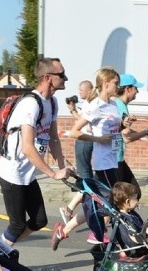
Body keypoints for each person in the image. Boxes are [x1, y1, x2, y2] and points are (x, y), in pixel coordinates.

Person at [0, 57, 71, 245]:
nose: (66, 78)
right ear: (47, 77)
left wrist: (63, 166)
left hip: (27, 174)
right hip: (12, 173)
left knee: (39, 220)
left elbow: (53, 138)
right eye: (61, 74)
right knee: (16, 225)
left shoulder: (52, 102)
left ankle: (3, 253)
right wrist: (53, 173)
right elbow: (28, 148)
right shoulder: (31, 104)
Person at [50, 67, 122, 249]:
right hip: (103, 163)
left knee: (106, 202)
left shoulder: (113, 104)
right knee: (117, 203)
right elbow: (74, 132)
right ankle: (108, 239)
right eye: (116, 83)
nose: (118, 86)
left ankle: (64, 231)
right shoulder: (95, 106)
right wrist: (98, 139)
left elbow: (114, 130)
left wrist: (124, 125)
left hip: (114, 159)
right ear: (106, 84)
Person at [115, 73, 148, 190]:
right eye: (136, 88)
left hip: (116, 158)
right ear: (128, 89)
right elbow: (127, 138)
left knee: (131, 193)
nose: (138, 92)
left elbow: (124, 131)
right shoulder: (120, 107)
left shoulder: (119, 105)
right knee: (130, 193)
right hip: (114, 160)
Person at [58, 79, 96, 225]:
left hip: (85, 141)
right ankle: (70, 208)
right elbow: (80, 119)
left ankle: (70, 208)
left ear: (88, 90)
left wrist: (73, 109)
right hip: (84, 141)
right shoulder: (88, 104)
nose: (79, 92)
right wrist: (73, 109)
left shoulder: (91, 104)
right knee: (87, 179)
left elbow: (83, 120)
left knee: (87, 179)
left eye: (81, 90)